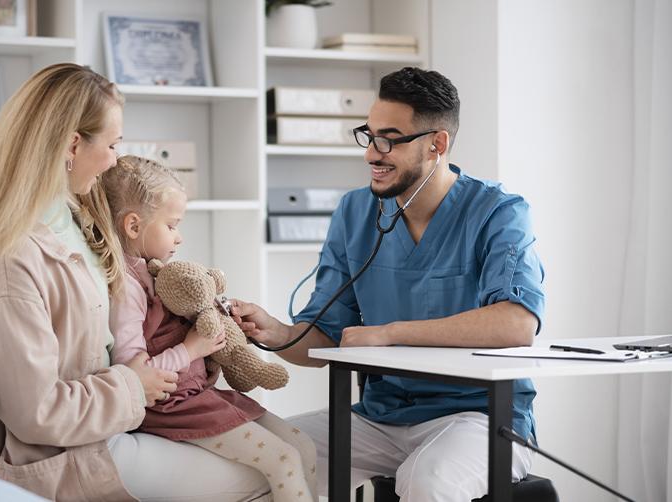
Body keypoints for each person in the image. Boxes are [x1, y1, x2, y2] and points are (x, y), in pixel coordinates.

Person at [0, 63, 271, 502]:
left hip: (109, 422)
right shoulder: (13, 259)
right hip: (65, 452)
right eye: (112, 143)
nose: (116, 159)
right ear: (71, 144)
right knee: (269, 473)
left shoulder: (75, 218)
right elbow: (35, 412)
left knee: (281, 448)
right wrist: (132, 385)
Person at [231, 67, 545, 502]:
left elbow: (516, 324)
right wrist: (278, 333)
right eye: (370, 134)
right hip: (381, 417)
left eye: (391, 139)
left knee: (427, 481)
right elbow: (326, 337)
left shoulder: (499, 212)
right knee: (256, 461)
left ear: (437, 145)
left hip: (479, 418)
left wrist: (390, 334)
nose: (372, 154)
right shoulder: (355, 211)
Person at [82, 155, 317, 502]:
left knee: (304, 448)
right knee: (284, 459)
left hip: (197, 397)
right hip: (173, 408)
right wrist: (191, 350)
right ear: (133, 226)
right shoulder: (127, 287)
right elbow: (133, 373)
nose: (178, 238)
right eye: (172, 225)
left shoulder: (153, 271)